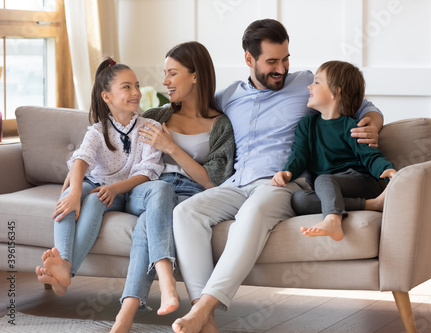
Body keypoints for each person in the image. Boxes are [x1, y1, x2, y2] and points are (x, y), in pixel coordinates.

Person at [171, 19, 384, 333]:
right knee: (185, 212)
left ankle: (203, 308)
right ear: (249, 59)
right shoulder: (229, 95)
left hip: (282, 183)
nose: (281, 69)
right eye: (272, 61)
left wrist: (372, 123)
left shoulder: (307, 84)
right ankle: (207, 318)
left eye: (285, 59)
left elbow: (364, 103)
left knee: (253, 213)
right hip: (237, 183)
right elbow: (190, 111)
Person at [110, 41, 235, 333]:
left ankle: (124, 317)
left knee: (147, 224)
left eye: (173, 73)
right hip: (149, 189)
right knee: (161, 192)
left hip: (190, 197)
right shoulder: (155, 116)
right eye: (165, 73)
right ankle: (182, 301)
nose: (164, 81)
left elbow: (212, 180)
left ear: (195, 76)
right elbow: (110, 141)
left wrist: (172, 148)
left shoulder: (221, 125)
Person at [35, 58, 165, 296]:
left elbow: (148, 172)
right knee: (68, 195)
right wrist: (74, 192)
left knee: (96, 199)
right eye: (126, 87)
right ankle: (63, 263)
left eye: (136, 85)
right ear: (107, 97)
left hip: (124, 191)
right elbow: (81, 160)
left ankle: (66, 271)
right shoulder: (97, 130)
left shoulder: (149, 127)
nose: (136, 92)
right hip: (96, 182)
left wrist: (116, 189)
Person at [271, 60, 397, 242]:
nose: (309, 86)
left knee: (323, 180)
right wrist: (287, 172)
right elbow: (299, 155)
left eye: (316, 82)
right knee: (300, 200)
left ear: (335, 91)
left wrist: (388, 171)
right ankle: (373, 204)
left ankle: (332, 220)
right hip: (328, 188)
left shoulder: (351, 126)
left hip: (360, 182)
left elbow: (370, 156)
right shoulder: (307, 126)